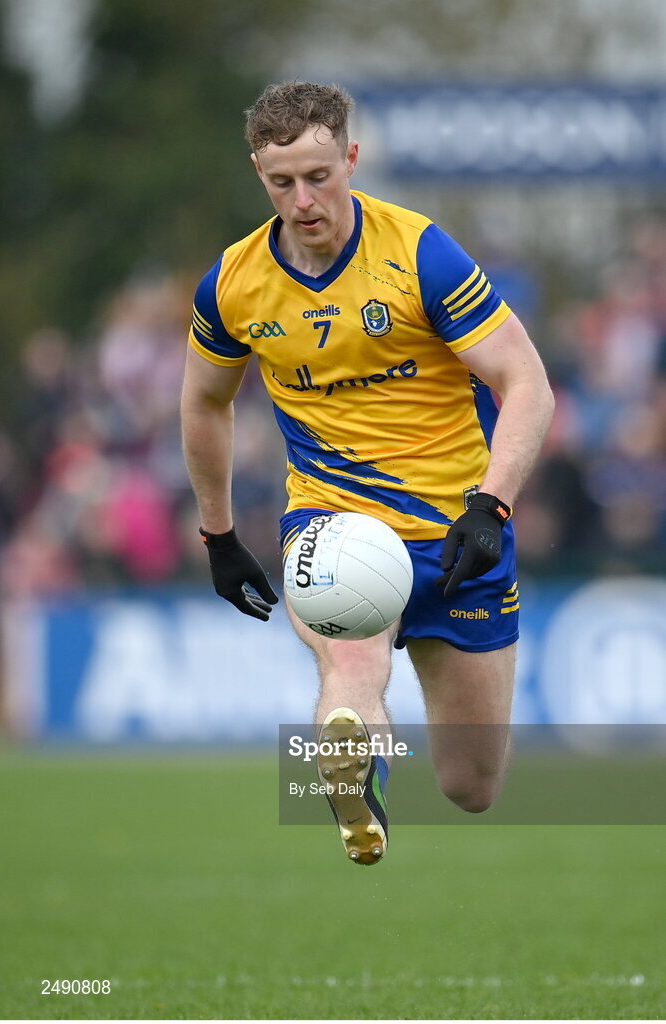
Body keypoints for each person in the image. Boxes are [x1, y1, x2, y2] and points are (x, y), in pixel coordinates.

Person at [180, 81, 555, 865]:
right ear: (258, 172)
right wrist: (217, 534)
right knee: (353, 665)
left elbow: (526, 384)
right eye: (282, 182)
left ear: (350, 158)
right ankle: (355, 774)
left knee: (470, 784)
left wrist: (492, 506)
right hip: (332, 520)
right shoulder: (235, 283)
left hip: (457, 528)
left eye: (319, 176)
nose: (303, 198)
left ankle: (363, 754)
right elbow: (205, 404)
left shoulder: (419, 252)